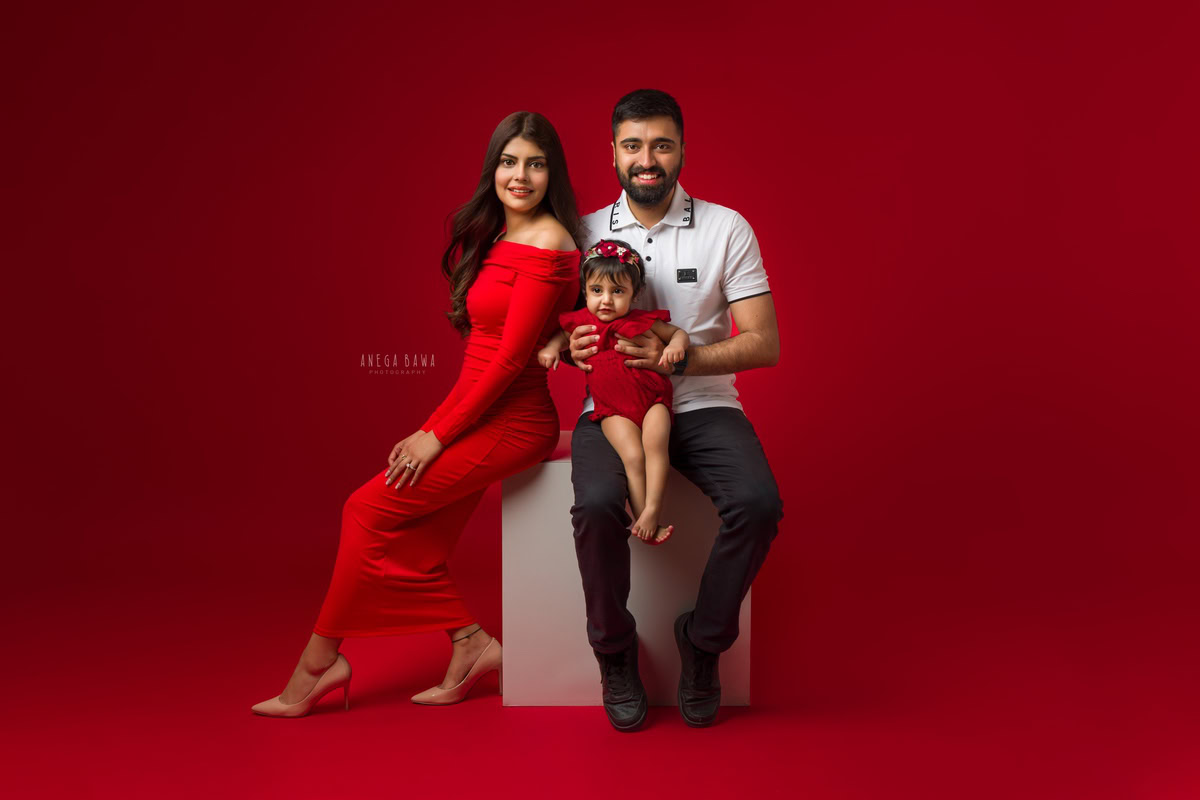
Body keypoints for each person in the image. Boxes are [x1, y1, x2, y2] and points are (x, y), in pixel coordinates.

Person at [251, 111, 580, 717]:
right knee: (415, 543)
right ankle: (470, 644)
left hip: (514, 422)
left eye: (536, 163)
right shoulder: (503, 238)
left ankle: (317, 665)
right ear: (494, 168)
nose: (521, 175)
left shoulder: (550, 240)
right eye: (509, 161)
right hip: (478, 409)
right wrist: (438, 423)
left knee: (365, 509)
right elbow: (485, 358)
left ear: (551, 172)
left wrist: (436, 434)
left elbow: (508, 362)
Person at [567, 89, 783, 731]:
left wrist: (682, 360)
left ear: (683, 148)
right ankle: (613, 650)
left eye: (661, 144)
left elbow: (763, 343)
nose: (647, 159)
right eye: (633, 146)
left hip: (703, 406)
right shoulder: (583, 233)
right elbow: (547, 333)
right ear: (612, 153)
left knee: (759, 504)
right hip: (609, 406)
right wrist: (573, 346)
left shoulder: (727, 228)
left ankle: (705, 639)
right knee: (598, 506)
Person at [539, 239, 688, 545]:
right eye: (597, 291)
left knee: (655, 448)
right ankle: (642, 515)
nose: (606, 300)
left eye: (617, 291)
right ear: (585, 291)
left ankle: (653, 510)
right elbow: (562, 336)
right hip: (612, 410)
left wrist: (675, 347)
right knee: (632, 457)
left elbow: (678, 333)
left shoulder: (641, 321)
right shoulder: (583, 322)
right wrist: (551, 350)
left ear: (635, 293)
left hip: (653, 402)